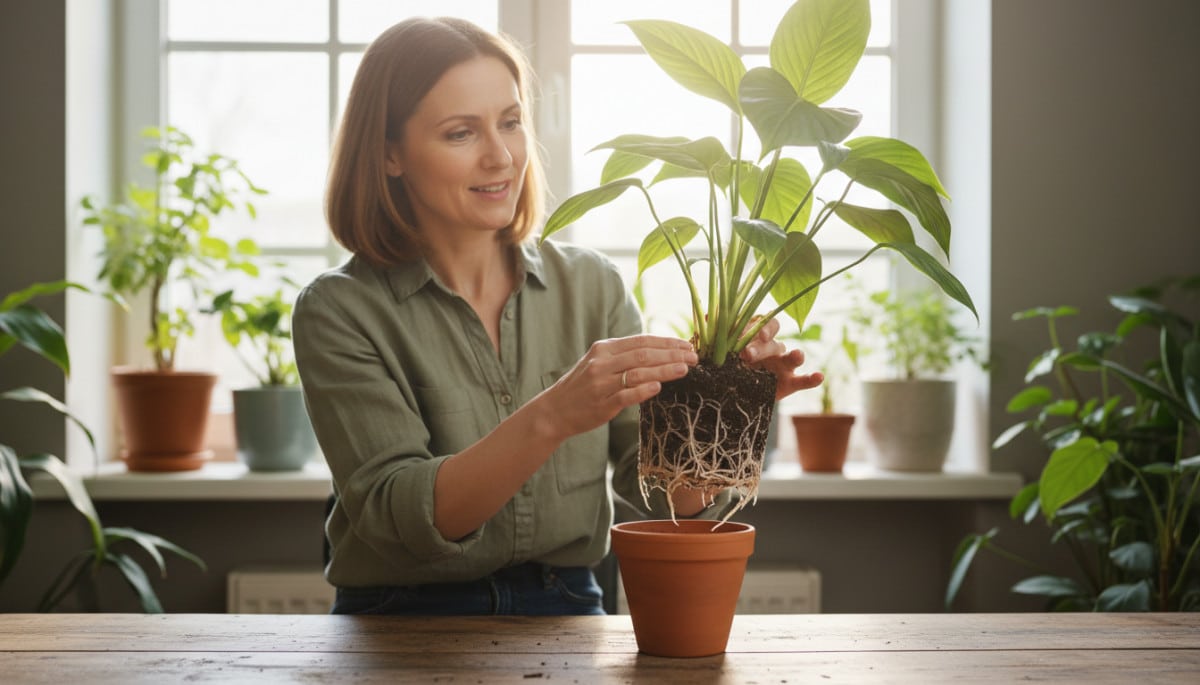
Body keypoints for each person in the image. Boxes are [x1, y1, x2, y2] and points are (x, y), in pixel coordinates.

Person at [293, 16, 823, 616]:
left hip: (567, 606)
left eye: (511, 123)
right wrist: (554, 414)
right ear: (390, 154)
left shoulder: (591, 285)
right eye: (461, 133)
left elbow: (660, 495)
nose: (501, 157)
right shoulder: (339, 310)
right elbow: (400, 515)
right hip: (401, 617)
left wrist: (730, 415)